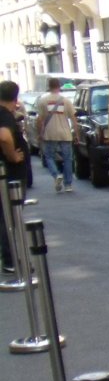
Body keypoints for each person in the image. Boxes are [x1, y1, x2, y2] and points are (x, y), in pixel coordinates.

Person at [0, 80, 29, 274]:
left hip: (8, 174)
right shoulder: (4, 115)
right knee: (9, 216)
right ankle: (10, 260)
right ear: (15, 97)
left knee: (6, 216)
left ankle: (9, 258)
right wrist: (13, 156)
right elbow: (4, 136)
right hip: (11, 175)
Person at [36, 78, 80, 192]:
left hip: (50, 133)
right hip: (65, 133)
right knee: (68, 159)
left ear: (49, 86)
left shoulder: (43, 101)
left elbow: (40, 119)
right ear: (59, 86)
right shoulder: (66, 100)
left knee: (49, 156)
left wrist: (40, 133)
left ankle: (56, 175)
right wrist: (76, 134)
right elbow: (73, 119)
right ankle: (68, 185)